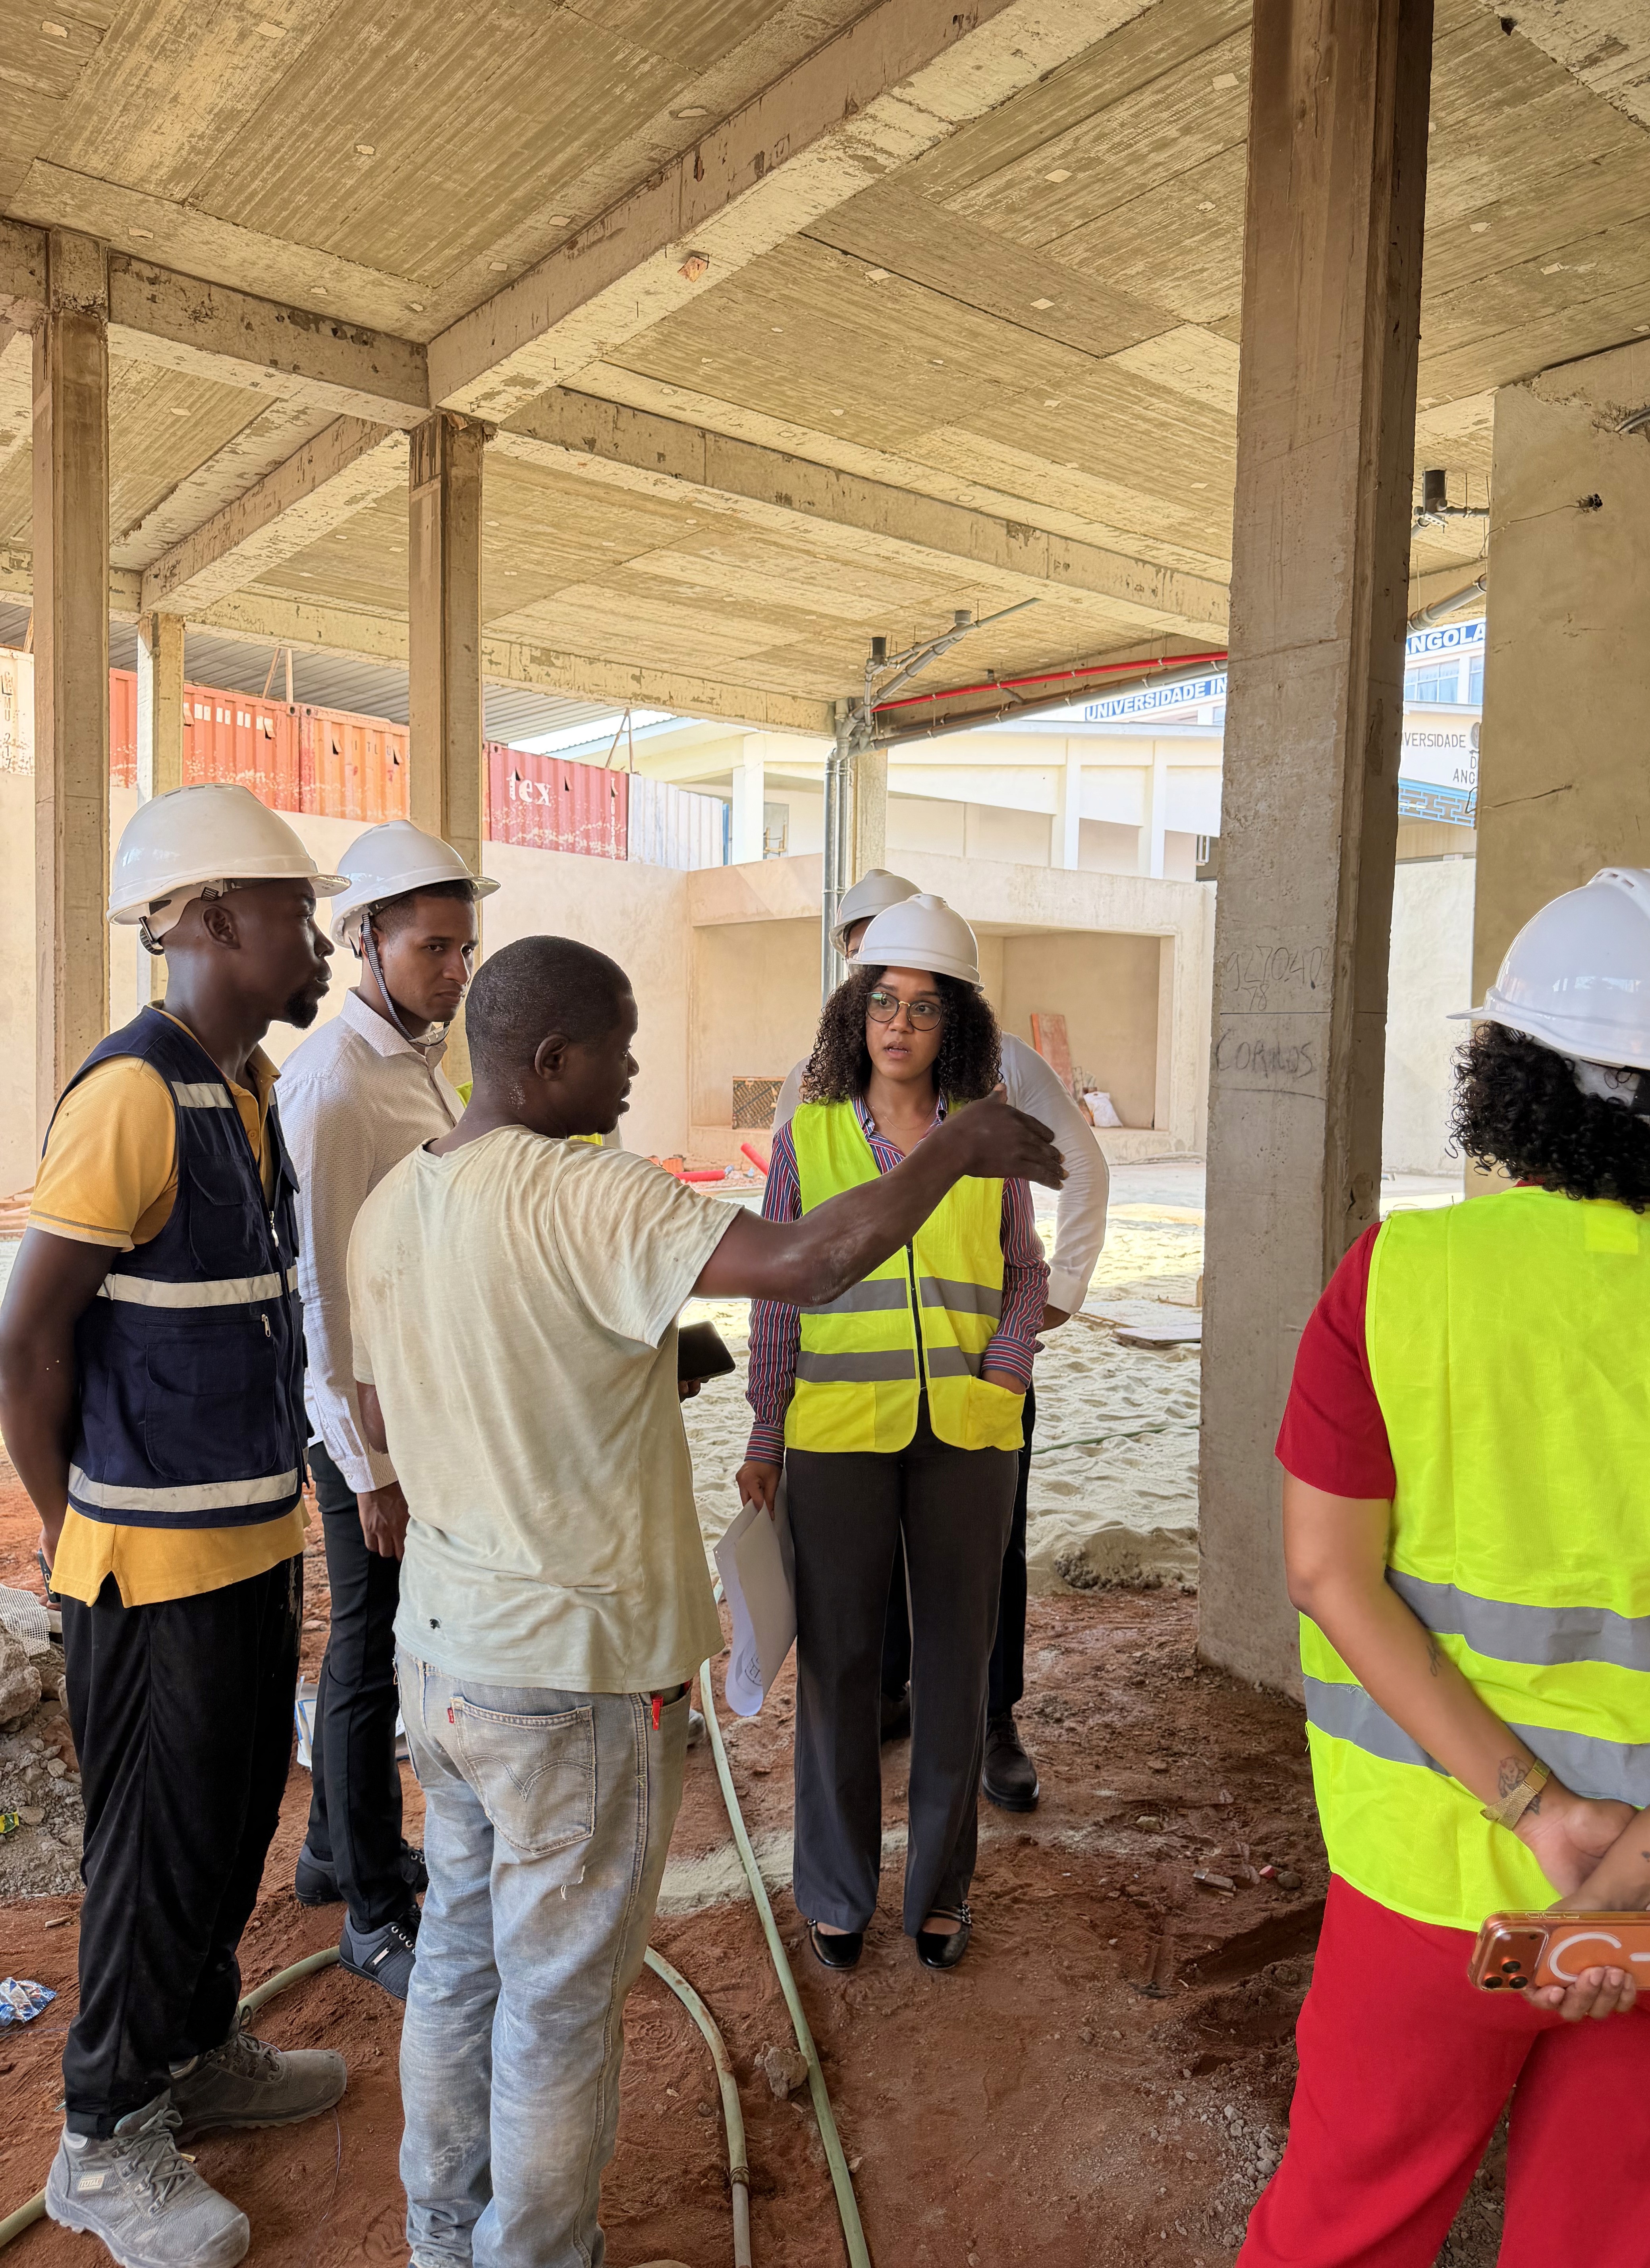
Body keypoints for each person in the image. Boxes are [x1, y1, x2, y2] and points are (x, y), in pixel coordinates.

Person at [345, 932, 1063, 2268]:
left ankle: (447, 2240)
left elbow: (394, 1394)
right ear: (550, 1059)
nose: (630, 1072)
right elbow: (807, 1264)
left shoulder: (397, 1202)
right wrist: (958, 1153)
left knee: (459, 1966)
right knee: (557, 2002)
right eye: (616, 1047)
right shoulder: (590, 1194)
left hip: (445, 1657)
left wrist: (604, 1377)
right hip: (572, 1669)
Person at [1240, 866, 1650, 2268]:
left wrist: (1538, 1814)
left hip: (1436, 1890)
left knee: (1347, 2226)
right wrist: (1619, 1886)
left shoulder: (1396, 1279)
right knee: (1613, 2241)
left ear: (1507, 1078)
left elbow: (1329, 1575)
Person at [0, 784, 351, 2268]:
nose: (313, 937)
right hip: (148, 1564)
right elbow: (26, 1339)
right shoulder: (134, 1094)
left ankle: (199, 2056)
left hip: (251, 1543)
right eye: (292, 911)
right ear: (210, 920)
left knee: (221, 1832)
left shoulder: (245, 1085)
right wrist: (72, 1523)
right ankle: (102, 2139)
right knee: (150, 1851)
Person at [740, 893, 1046, 1972]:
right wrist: (765, 1433)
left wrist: (1004, 1376)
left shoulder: (986, 1135)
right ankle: (835, 1888)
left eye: (922, 1006)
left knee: (958, 1668)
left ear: (951, 1021)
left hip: (966, 1436)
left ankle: (939, 1891)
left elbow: (1022, 1271)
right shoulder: (808, 1137)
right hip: (833, 1436)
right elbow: (774, 1295)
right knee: (838, 1666)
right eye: (882, 1001)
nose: (899, 1024)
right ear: (854, 1014)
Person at [773, 870, 1109, 1810]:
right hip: (860, 1392)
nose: (891, 996)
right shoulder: (822, 1081)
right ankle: (888, 1696)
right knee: (866, 1577)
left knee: (983, 1569)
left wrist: (1044, 1316)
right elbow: (790, 1229)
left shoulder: (998, 1064)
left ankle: (990, 1722)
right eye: (867, 960)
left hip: (978, 1375)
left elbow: (1079, 1168)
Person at [278, 819, 498, 1998]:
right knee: (372, 1660)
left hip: (419, 1407)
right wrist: (366, 1466)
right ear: (365, 939)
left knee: (382, 1649)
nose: (455, 972)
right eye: (432, 949)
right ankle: (371, 1911)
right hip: (368, 1426)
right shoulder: (332, 1084)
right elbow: (320, 1291)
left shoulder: (414, 1063)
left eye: (464, 949)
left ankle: (333, 1852)